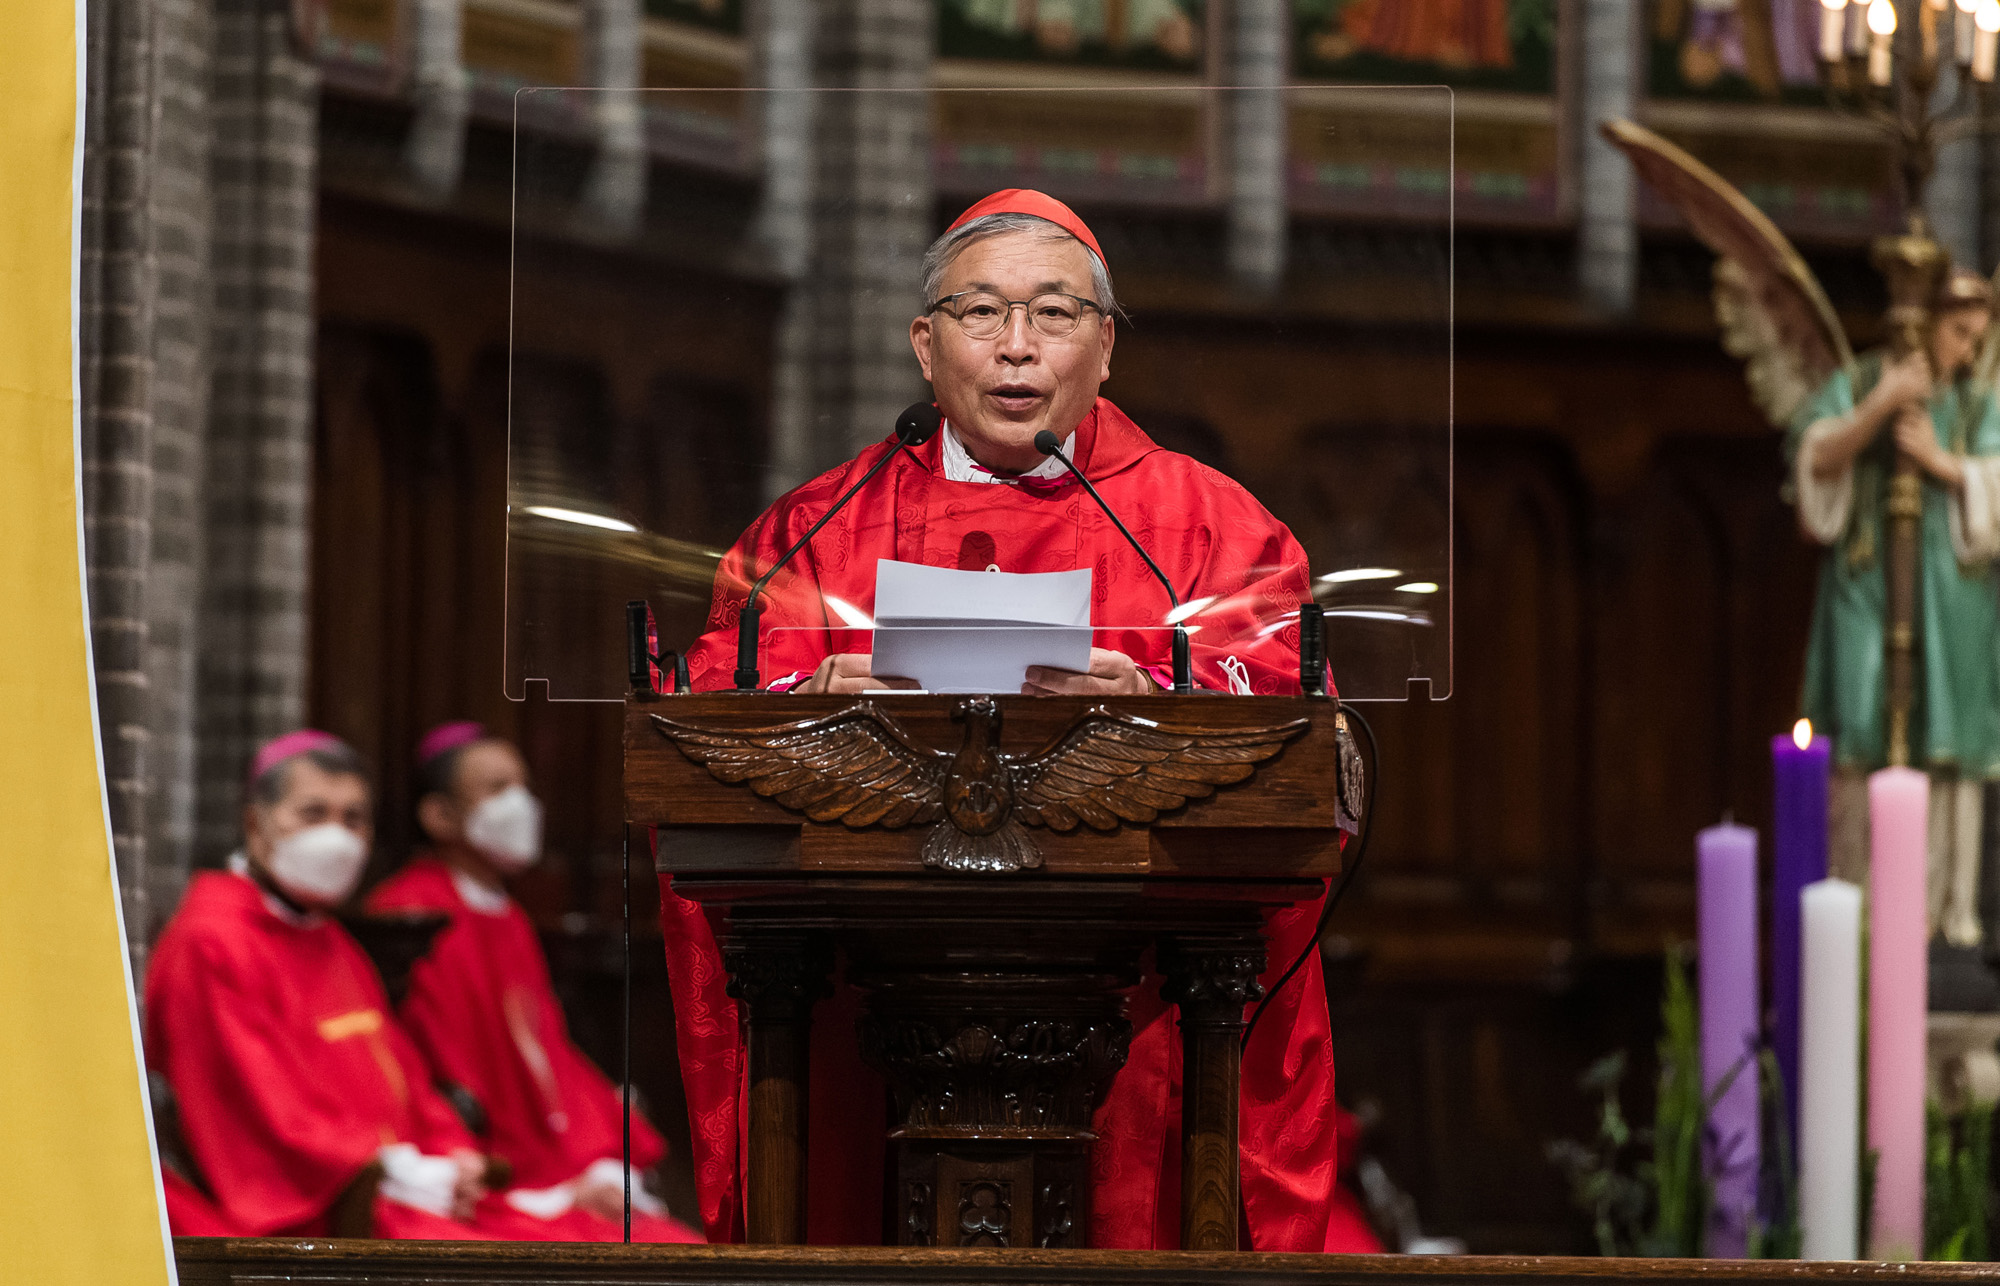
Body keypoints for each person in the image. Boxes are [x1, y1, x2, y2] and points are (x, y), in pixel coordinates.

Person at [667, 189, 1355, 1250]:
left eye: (1055, 313)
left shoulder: (1208, 526)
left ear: (1106, 347)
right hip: (859, 987)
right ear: (925, 345)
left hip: (1142, 997)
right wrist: (814, 694)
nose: (1017, 345)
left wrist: (1155, 697)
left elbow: (1298, 725)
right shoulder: (819, 527)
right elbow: (708, 708)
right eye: (981, 312)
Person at [145, 731, 508, 1239]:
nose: (336, 836)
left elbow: (403, 1072)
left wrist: (452, 1152)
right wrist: (393, 1171)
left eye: (353, 819)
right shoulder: (211, 941)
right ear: (255, 824)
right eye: (313, 814)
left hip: (403, 1189)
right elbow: (261, 1107)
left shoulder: (329, 937)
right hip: (328, 1210)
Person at [366, 722, 702, 1243]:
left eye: (522, 785)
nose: (520, 804)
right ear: (439, 815)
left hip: (551, 1163)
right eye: (497, 788)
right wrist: (549, 1181)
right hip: (489, 1169)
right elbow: (445, 1065)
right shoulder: (412, 915)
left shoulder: (508, 915)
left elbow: (545, 1054)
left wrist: (594, 1159)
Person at [1789, 267, 2000, 945]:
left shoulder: (1976, 404)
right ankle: (1855, 907)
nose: (1968, 351)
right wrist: (1881, 407)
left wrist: (1941, 462)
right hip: (1867, 581)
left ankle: (1940, 912)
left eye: (1979, 340)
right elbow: (1811, 461)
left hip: (1953, 597)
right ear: (1925, 320)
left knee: (1946, 737)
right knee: (1859, 723)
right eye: (1959, 333)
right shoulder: (1859, 382)